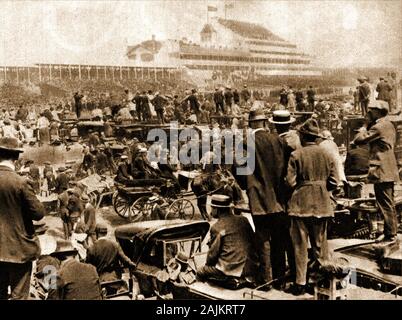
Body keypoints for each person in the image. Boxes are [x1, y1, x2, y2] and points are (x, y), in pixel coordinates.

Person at [285, 119, 338, 296]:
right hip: (323, 203)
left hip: (300, 204)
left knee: (299, 246)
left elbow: (290, 182)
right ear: (316, 137)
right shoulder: (327, 154)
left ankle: (300, 283)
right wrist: (321, 188)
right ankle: (323, 280)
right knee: (320, 245)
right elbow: (334, 182)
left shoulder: (296, 155)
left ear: (302, 135)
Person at [234, 107, 286, 285]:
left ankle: (265, 279)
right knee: (279, 238)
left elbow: (238, 169)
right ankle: (280, 278)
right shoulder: (278, 140)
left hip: (258, 199)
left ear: (250, 125)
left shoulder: (246, 143)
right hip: (279, 199)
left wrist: (247, 186)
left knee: (263, 238)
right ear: (265, 123)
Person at [0, 137, 45, 299]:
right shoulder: (20, 182)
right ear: (16, 158)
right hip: (19, 250)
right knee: (19, 296)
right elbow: (39, 214)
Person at [353, 100, 399, 242]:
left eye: (371, 111)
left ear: (378, 112)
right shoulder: (389, 125)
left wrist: (365, 126)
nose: (368, 113)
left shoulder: (378, 127)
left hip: (382, 169)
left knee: (384, 202)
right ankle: (390, 231)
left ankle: (390, 234)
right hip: (389, 168)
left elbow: (358, 140)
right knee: (388, 202)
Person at [196, 195, 257, 283]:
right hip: (250, 266)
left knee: (200, 271)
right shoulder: (244, 220)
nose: (211, 211)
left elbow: (212, 256)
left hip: (229, 270)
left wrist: (207, 266)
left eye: (212, 208)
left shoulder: (217, 227)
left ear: (217, 209)